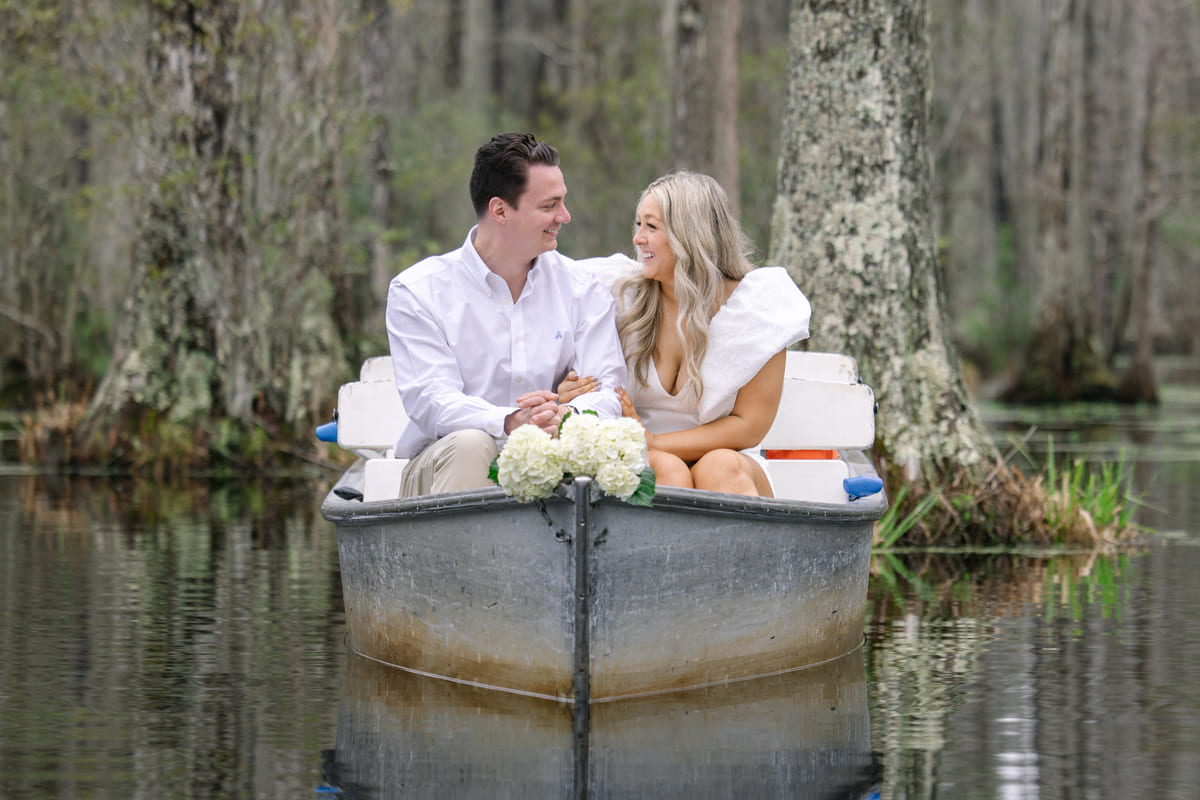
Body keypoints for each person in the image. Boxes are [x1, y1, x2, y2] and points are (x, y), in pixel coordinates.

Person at [385, 132, 627, 497]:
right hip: (445, 470)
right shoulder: (419, 292)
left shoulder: (583, 289)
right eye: (550, 206)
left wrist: (567, 418)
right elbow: (432, 400)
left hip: (555, 466)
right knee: (471, 445)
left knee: (596, 453)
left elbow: (608, 387)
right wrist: (511, 421)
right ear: (500, 211)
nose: (565, 216)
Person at [563, 171, 811, 497]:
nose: (638, 238)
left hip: (729, 455)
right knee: (662, 468)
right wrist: (569, 391)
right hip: (644, 456)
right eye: (638, 225)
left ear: (690, 235)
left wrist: (656, 441)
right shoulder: (619, 294)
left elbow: (749, 426)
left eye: (651, 227)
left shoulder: (758, 307)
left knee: (719, 466)